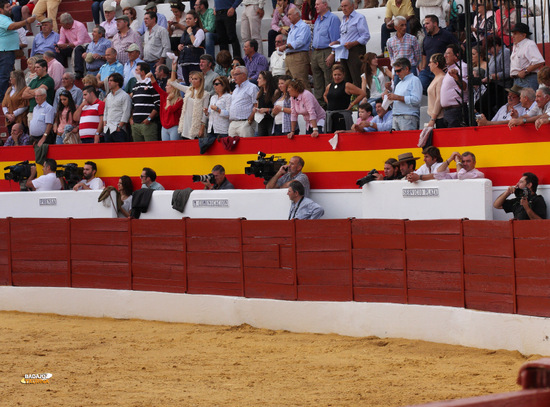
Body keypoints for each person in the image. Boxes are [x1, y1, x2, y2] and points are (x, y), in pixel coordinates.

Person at [329, 0, 370, 88]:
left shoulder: (359, 17)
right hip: (344, 51)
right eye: (342, 6)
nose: (344, 8)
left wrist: (353, 43)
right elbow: (344, 37)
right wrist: (337, 41)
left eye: (346, 6)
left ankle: (362, 98)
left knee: (357, 77)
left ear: (352, 6)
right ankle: (349, 99)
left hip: (355, 50)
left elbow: (365, 36)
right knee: (346, 78)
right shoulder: (344, 19)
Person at [0, 1, 35, 100]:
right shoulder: (1, 18)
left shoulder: (5, 18)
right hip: (4, 51)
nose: (10, 8)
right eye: (7, 7)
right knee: (4, 76)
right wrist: (27, 21)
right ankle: (2, 99)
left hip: (5, 50)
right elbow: (12, 26)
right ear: (0, 10)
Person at [311, 0, 340, 107]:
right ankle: (320, 105)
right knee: (317, 81)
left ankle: (330, 104)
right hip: (316, 52)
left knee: (328, 79)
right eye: (315, 5)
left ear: (325, 5)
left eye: (318, 4)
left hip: (326, 51)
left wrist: (332, 53)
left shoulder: (333, 19)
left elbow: (335, 39)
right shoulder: (318, 20)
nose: (315, 6)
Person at [418, 15, 458, 94]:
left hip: (441, 70)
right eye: (424, 24)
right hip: (427, 69)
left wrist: (450, 65)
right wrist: (422, 67)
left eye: (427, 23)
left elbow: (457, 49)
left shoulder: (446, 35)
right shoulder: (426, 38)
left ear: (435, 23)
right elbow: (424, 54)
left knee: (441, 91)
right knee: (420, 87)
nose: (425, 26)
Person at [170, 64, 210, 140]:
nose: (193, 81)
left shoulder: (205, 94)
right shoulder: (188, 90)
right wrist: (173, 68)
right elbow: (173, 83)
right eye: (192, 79)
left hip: (196, 125)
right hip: (186, 123)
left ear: (200, 80)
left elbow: (205, 113)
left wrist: (202, 128)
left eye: (195, 79)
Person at [324, 64, 366, 133]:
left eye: (339, 75)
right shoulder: (329, 86)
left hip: (342, 116)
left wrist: (352, 104)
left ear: (343, 75)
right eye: (335, 75)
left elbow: (362, 93)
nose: (337, 77)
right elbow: (325, 95)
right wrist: (330, 103)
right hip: (330, 116)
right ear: (332, 75)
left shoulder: (347, 85)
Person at [386, 58, 422, 131]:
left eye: (399, 71)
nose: (397, 73)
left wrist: (397, 97)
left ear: (406, 69)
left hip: (408, 116)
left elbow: (416, 100)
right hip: (396, 116)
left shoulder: (414, 80)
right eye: (395, 71)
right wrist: (389, 99)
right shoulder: (399, 84)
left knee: (408, 141)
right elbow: (397, 101)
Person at [279, 7, 311, 89]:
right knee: (290, 83)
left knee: (301, 83)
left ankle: (307, 101)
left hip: (298, 56)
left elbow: (300, 42)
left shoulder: (303, 26)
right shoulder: (292, 27)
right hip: (289, 56)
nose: (288, 16)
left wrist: (286, 46)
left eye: (290, 14)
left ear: (297, 15)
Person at [147, 71, 183, 141]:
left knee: (174, 149)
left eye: (167, 85)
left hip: (174, 127)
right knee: (166, 149)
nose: (165, 87)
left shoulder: (179, 100)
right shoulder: (164, 95)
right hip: (164, 127)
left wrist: (168, 100)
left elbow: (170, 110)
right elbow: (156, 86)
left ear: (173, 87)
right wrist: (151, 76)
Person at [129, 62, 160, 142]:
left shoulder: (151, 84)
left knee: (151, 150)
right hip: (135, 124)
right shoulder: (135, 86)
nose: (134, 71)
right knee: (138, 151)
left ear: (142, 72)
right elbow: (133, 104)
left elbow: (158, 104)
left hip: (148, 124)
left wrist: (149, 118)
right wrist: (131, 118)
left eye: (136, 70)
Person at [510, 23, 545, 91]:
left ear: (523, 35)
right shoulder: (516, 45)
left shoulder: (529, 44)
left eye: (515, 34)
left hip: (527, 79)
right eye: (513, 34)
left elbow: (539, 61)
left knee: (528, 99)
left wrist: (525, 71)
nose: (513, 36)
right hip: (517, 79)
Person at [441, 44, 468, 127]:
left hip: (456, 110)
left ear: (457, 55)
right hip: (448, 111)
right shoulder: (450, 68)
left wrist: (457, 77)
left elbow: (465, 87)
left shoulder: (462, 67)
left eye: (448, 53)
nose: (445, 56)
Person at [228, 65, 258, 138]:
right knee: (232, 148)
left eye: (236, 74)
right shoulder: (235, 90)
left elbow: (256, 105)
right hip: (233, 123)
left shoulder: (252, 87)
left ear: (244, 75)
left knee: (247, 148)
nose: (234, 77)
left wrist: (249, 121)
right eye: (233, 75)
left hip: (245, 123)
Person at [177, 10, 205, 85]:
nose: (187, 20)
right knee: (187, 83)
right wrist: (180, 46)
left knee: (196, 83)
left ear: (195, 19)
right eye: (186, 19)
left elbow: (196, 44)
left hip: (194, 62)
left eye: (189, 19)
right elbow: (183, 42)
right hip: (185, 61)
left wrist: (190, 33)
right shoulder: (185, 31)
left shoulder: (199, 31)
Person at [103, 73, 132, 142]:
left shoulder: (124, 96)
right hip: (108, 129)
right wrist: (105, 124)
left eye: (111, 81)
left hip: (119, 130)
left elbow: (126, 112)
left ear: (117, 83)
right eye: (108, 81)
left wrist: (119, 127)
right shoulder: (109, 96)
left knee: (120, 152)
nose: (109, 83)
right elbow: (106, 111)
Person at [253, 70, 276, 137]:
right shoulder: (259, 93)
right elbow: (258, 105)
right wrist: (255, 109)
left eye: (260, 78)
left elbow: (276, 108)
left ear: (266, 80)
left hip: (271, 120)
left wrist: (267, 109)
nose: (257, 80)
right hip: (261, 121)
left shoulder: (274, 92)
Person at [426, 53, 446, 129]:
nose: (428, 65)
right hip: (434, 117)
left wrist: (433, 118)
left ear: (436, 64)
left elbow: (439, 99)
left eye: (430, 62)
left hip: (438, 117)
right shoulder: (436, 77)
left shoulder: (441, 78)